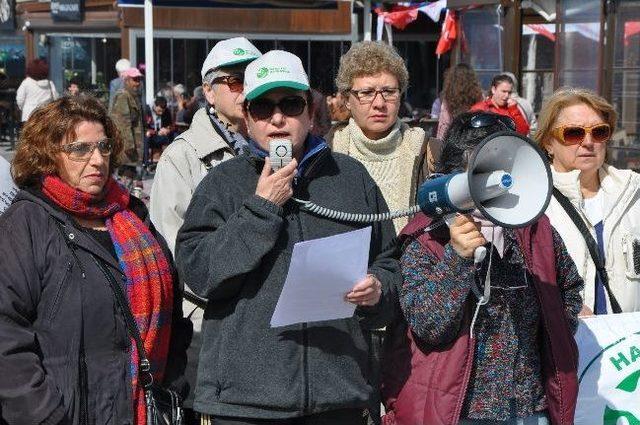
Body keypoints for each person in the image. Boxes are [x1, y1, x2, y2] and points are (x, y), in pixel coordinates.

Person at [176, 49, 400, 424]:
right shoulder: (222, 185)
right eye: (263, 107)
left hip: (339, 396)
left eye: (291, 104)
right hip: (246, 405)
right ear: (246, 118)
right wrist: (262, 207)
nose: (277, 117)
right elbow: (200, 274)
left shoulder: (349, 177)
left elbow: (390, 260)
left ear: (311, 113)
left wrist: (378, 290)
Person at [382, 111, 584, 425]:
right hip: (456, 411)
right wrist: (457, 259)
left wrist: (555, 335)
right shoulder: (426, 238)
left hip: (529, 408)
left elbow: (568, 288)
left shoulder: (534, 229)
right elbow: (428, 326)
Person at [0, 95, 190, 424]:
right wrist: (43, 416)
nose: (97, 159)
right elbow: (6, 334)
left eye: (103, 147)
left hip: (141, 411)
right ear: (48, 156)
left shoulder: (131, 215)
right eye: (79, 149)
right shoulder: (27, 223)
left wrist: (172, 387)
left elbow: (173, 314)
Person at [149, 36, 261, 423]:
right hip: (208, 327)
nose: (246, 88)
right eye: (234, 80)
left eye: (254, 76)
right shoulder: (182, 157)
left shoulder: (278, 146)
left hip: (269, 329)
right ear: (209, 93)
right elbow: (174, 255)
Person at [536, 88, 640, 313]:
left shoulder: (634, 193)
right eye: (574, 133)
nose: (588, 142)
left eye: (599, 132)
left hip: (628, 344)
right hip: (566, 343)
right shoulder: (532, 204)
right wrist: (565, 309)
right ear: (548, 143)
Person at [331, 41, 433, 234]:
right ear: (346, 100)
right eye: (367, 93)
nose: (379, 103)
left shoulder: (429, 152)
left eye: (388, 92)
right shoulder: (325, 153)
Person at [110, 67, 144, 184]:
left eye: (139, 79)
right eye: (135, 79)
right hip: (127, 147)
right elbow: (122, 123)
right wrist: (129, 146)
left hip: (132, 146)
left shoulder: (133, 96)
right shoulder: (123, 96)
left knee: (131, 177)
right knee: (126, 179)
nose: (137, 83)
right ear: (127, 80)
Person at [436, 63, 483, 140]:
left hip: (454, 137)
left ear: (452, 79)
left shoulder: (448, 97)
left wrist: (440, 142)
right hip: (474, 135)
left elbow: (444, 123)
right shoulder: (479, 95)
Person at [16, 58, 58, 123]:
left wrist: (24, 108)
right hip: (45, 116)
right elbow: (56, 99)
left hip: (28, 116)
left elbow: (20, 99)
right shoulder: (50, 83)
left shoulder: (26, 83)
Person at [144, 95, 174, 166]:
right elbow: (143, 127)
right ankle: (145, 162)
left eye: (162, 111)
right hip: (151, 136)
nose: (161, 113)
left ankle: (172, 161)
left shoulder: (166, 111)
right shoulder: (146, 111)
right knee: (146, 138)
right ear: (154, 106)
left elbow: (171, 125)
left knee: (175, 136)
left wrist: (168, 129)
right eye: (159, 111)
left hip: (162, 136)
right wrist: (156, 132)